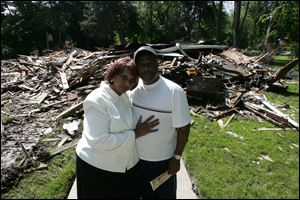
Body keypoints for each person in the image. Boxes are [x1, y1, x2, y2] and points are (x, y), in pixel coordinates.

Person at [76, 56, 160, 199]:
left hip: (122, 166)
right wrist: (136, 134)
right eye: (123, 77)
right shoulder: (96, 100)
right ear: (113, 75)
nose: (127, 83)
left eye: (131, 80)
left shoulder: (123, 96)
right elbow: (98, 140)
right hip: (97, 169)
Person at [129, 46, 191, 199]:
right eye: (141, 64)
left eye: (150, 62)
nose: (146, 68)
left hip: (162, 162)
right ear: (136, 68)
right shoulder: (132, 91)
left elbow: (183, 128)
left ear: (158, 63)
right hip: (137, 160)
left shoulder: (174, 91)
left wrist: (176, 158)